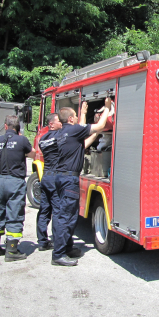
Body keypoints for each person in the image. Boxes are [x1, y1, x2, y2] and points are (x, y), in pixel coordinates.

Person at [50, 98, 111, 267]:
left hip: (61, 177)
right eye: (75, 116)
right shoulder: (73, 130)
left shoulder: (62, 133)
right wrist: (107, 109)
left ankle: (66, 248)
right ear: (70, 119)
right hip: (69, 179)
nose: (77, 118)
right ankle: (58, 254)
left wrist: (84, 115)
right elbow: (98, 126)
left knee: (66, 214)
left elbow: (82, 144)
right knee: (67, 217)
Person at [0, 115, 36, 262]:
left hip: (0, 180)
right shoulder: (22, 140)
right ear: (18, 128)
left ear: (5, 126)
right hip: (15, 181)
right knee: (14, 213)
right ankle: (11, 251)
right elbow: (33, 154)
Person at [35, 112, 63, 252]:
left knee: (44, 210)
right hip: (55, 178)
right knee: (57, 211)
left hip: (45, 176)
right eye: (59, 121)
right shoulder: (59, 137)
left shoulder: (43, 138)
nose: (61, 123)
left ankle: (42, 242)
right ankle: (58, 244)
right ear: (51, 124)